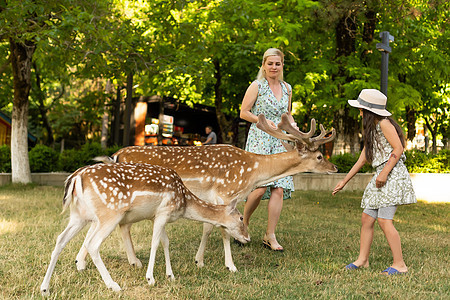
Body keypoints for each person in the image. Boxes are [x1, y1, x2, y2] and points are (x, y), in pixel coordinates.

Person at [332, 89, 416, 275]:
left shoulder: (385, 124)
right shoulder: (372, 129)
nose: (359, 112)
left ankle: (399, 264)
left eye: (361, 109)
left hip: (391, 174)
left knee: (385, 221)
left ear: (370, 111)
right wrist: (344, 181)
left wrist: (384, 173)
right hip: (381, 174)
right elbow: (363, 158)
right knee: (367, 218)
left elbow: (398, 148)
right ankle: (363, 260)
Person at [240, 48, 297, 252]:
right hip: (260, 139)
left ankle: (270, 235)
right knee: (259, 189)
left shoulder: (287, 88)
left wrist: (293, 125)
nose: (274, 67)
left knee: (279, 189)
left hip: (279, 142)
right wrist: (263, 121)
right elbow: (244, 112)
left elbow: (287, 114)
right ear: (263, 65)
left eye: (278, 64)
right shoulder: (257, 86)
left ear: (282, 65)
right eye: (270, 63)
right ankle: (243, 224)